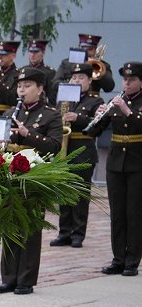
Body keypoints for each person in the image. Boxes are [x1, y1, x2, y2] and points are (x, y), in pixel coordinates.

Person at [0, 67, 63, 295]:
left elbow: (54, 146)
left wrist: (28, 135)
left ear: (40, 88)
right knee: (10, 224)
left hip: (34, 177)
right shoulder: (11, 114)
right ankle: (9, 277)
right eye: (19, 86)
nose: (22, 90)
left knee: (30, 227)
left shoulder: (51, 114)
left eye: (27, 86)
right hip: (12, 176)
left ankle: (26, 279)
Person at [86, 61, 142, 277]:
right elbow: (93, 133)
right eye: (125, 80)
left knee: (134, 213)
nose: (127, 83)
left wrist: (126, 110)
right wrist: (100, 115)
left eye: (132, 80)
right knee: (117, 213)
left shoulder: (129, 104)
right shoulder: (115, 101)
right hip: (116, 162)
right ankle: (118, 258)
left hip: (137, 162)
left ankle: (132, 260)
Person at [51, 62, 102, 249]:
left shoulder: (96, 101)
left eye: (81, 77)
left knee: (80, 194)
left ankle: (78, 234)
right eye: (73, 77)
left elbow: (98, 126)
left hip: (84, 150)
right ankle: (64, 232)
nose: (76, 80)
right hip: (65, 150)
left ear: (89, 80)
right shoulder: (64, 100)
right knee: (63, 193)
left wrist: (78, 118)